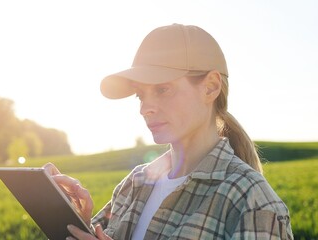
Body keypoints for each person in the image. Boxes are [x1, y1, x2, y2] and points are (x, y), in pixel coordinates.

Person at [44, 24, 293, 239]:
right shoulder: (134, 184)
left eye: (162, 90)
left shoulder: (252, 202)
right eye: (140, 95)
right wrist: (80, 223)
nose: (145, 108)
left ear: (211, 87)